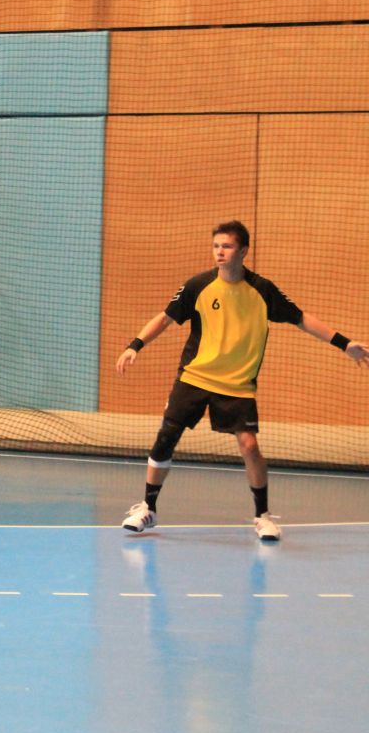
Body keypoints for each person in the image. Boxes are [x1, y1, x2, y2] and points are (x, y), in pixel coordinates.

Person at [115, 220, 368, 541]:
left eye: (227, 246)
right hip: (195, 376)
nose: (220, 252)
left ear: (243, 251)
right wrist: (135, 345)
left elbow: (302, 318)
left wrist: (345, 344)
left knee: (249, 445)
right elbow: (165, 318)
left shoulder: (262, 290)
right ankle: (147, 508)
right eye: (216, 246)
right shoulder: (198, 286)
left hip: (237, 385)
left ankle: (263, 517)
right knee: (166, 436)